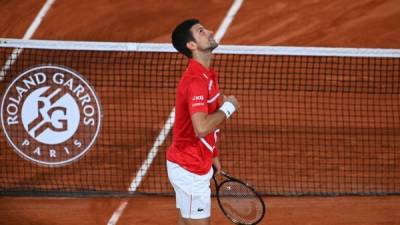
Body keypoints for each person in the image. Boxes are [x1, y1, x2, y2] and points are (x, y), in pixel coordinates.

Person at [167, 18, 240, 225]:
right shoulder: (196, 81)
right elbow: (201, 127)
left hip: (194, 161)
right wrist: (229, 107)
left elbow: (206, 125)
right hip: (189, 168)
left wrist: (213, 154)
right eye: (200, 31)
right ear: (191, 45)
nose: (209, 31)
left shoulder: (207, 76)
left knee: (186, 220)